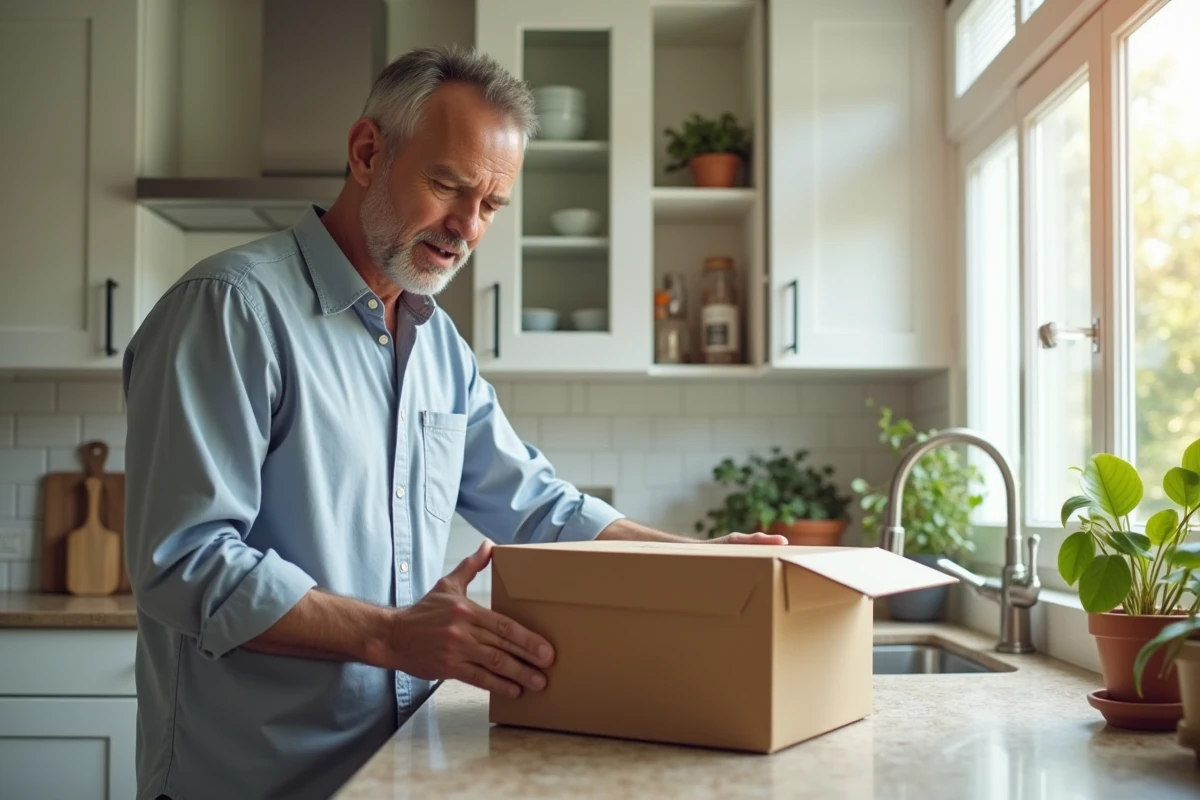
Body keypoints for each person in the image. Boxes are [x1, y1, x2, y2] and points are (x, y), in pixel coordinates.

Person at [123, 45, 786, 800]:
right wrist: (391, 635)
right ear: (368, 152)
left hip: (396, 775)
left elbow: (536, 506)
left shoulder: (437, 345)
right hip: (254, 783)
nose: (467, 228)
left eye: (493, 206)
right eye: (447, 185)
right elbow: (185, 561)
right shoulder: (231, 309)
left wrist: (701, 561)